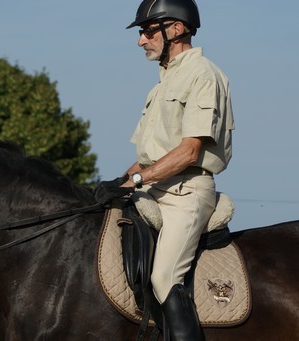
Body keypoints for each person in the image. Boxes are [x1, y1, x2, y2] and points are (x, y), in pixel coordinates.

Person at [94, 0, 234, 339]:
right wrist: (118, 182)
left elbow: (188, 152)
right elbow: (148, 159)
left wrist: (137, 179)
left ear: (176, 28)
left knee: (163, 278)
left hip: (187, 193)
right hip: (154, 186)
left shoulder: (203, 75)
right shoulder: (160, 87)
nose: (141, 40)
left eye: (146, 31)